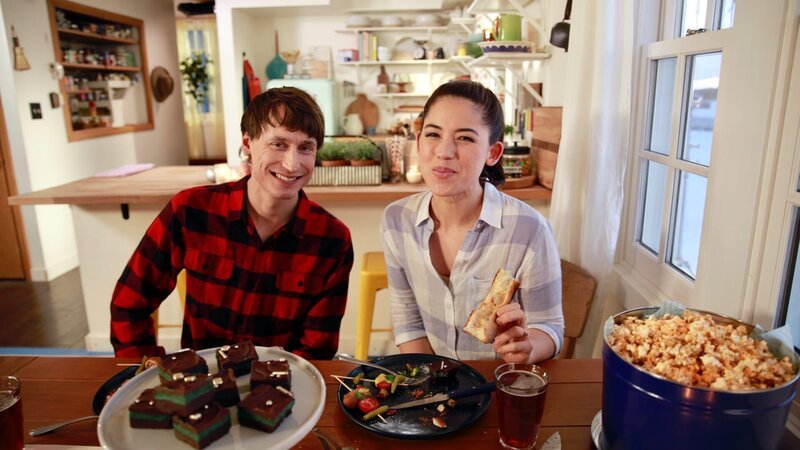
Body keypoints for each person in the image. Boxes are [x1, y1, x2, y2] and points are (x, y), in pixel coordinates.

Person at [111, 87, 354, 360]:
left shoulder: (333, 240)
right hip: (202, 381)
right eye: (279, 144)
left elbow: (316, 351)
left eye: (305, 148)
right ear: (248, 143)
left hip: (285, 381)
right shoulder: (191, 210)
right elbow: (130, 302)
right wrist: (148, 370)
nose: (291, 164)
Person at [381, 80, 563, 362]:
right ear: (418, 142)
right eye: (433, 134)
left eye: (465, 138)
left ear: (493, 153)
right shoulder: (397, 220)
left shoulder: (529, 229)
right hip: (432, 381)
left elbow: (549, 327)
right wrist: (430, 382)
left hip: (502, 380)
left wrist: (528, 347)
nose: (444, 151)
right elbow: (408, 323)